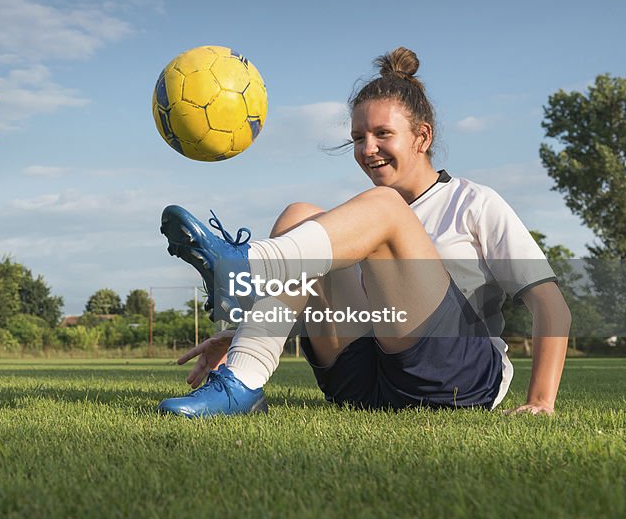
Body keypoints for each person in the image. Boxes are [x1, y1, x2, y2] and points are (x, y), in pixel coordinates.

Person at [157, 47, 571, 416]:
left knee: (384, 209)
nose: (367, 148)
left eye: (382, 134)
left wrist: (540, 401)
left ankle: (247, 265)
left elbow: (551, 306)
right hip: (366, 380)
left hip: (454, 380)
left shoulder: (473, 202)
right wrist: (242, 335)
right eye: (358, 137)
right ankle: (243, 380)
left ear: (422, 136)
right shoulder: (363, 217)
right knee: (301, 216)